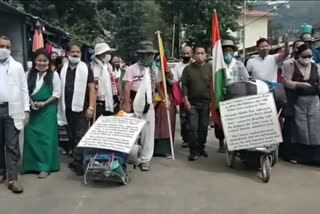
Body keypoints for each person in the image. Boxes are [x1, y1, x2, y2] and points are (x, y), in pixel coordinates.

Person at [123, 41, 168, 171]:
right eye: (145, 54)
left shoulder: (154, 69)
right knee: (133, 131)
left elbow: (159, 85)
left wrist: (165, 98)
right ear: (140, 55)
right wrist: (126, 103)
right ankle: (131, 156)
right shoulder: (132, 69)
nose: (148, 56)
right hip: (134, 99)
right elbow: (127, 86)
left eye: (150, 54)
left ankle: (145, 159)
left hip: (149, 102)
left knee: (148, 132)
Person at [22, 48, 61, 178]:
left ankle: (45, 167)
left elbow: (57, 94)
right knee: (31, 138)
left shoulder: (54, 75)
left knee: (47, 139)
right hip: (32, 110)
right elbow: (24, 91)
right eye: (39, 60)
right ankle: (32, 166)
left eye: (45, 60)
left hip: (47, 111)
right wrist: (31, 102)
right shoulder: (28, 74)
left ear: (49, 61)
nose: (42, 63)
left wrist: (44, 103)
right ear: (34, 61)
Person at [57, 42, 95, 175]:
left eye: (78, 52)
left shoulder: (86, 68)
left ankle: (81, 163)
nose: (75, 54)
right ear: (67, 54)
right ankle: (76, 159)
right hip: (66, 108)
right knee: (71, 135)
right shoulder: (61, 68)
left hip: (82, 108)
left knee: (81, 135)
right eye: (73, 52)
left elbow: (91, 88)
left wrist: (91, 107)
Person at [281, 44, 320, 165]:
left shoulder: (315, 66)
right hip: (296, 100)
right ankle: (295, 155)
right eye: (304, 56)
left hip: (313, 100)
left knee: (314, 129)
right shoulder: (289, 64)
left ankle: (314, 157)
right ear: (298, 55)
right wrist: (298, 85)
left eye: (309, 56)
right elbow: (285, 81)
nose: (307, 58)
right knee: (298, 128)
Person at [0, 35, 30, 193]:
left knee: (12, 145)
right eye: (1, 46)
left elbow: (24, 89)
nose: (4, 49)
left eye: (7, 47)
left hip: (12, 109)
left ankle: (13, 179)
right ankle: (1, 172)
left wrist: (26, 110)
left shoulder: (17, 67)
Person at [214, 40, 250, 153]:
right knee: (220, 121)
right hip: (222, 96)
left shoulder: (239, 64)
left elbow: (246, 79)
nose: (227, 53)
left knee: (235, 121)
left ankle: (234, 143)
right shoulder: (218, 65)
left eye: (230, 50)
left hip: (236, 97)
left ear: (234, 52)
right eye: (225, 50)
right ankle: (221, 142)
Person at [182, 46, 212, 161]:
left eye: (202, 53)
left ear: (205, 55)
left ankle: (201, 148)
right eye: (198, 53)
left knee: (203, 128)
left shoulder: (210, 67)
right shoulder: (188, 69)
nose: (200, 55)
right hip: (192, 104)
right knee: (193, 128)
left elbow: (214, 85)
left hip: (205, 103)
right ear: (193, 55)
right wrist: (186, 100)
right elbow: (184, 85)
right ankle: (193, 151)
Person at [153, 55, 176, 158]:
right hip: (154, 101)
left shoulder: (168, 71)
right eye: (157, 60)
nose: (159, 62)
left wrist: (168, 73)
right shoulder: (151, 70)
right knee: (154, 125)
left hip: (167, 100)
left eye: (160, 61)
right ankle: (152, 149)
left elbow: (173, 81)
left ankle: (166, 150)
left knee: (166, 125)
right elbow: (156, 84)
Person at [172, 46, 193, 148]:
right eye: (184, 54)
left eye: (187, 53)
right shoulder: (178, 66)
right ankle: (186, 139)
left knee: (194, 118)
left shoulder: (195, 64)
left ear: (191, 54)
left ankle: (195, 139)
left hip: (195, 95)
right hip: (183, 96)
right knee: (184, 118)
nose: (185, 55)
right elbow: (174, 80)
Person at [91, 43, 119, 117]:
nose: (108, 55)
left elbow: (114, 82)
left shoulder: (108, 67)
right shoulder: (92, 67)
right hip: (98, 102)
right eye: (106, 53)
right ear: (100, 54)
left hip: (109, 100)